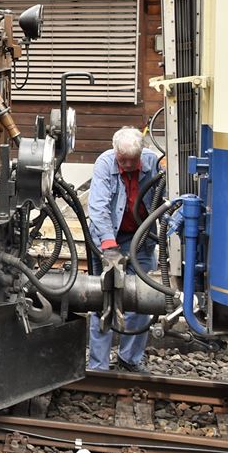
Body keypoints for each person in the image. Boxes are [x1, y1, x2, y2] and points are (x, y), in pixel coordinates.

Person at [85, 126, 162, 373]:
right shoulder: (104, 163)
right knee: (103, 299)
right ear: (115, 151)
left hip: (141, 239)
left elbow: (164, 199)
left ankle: (130, 358)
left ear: (142, 153)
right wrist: (108, 244)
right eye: (123, 159)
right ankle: (99, 366)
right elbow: (98, 207)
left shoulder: (152, 164)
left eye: (133, 159)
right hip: (107, 238)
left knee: (143, 298)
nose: (128, 164)